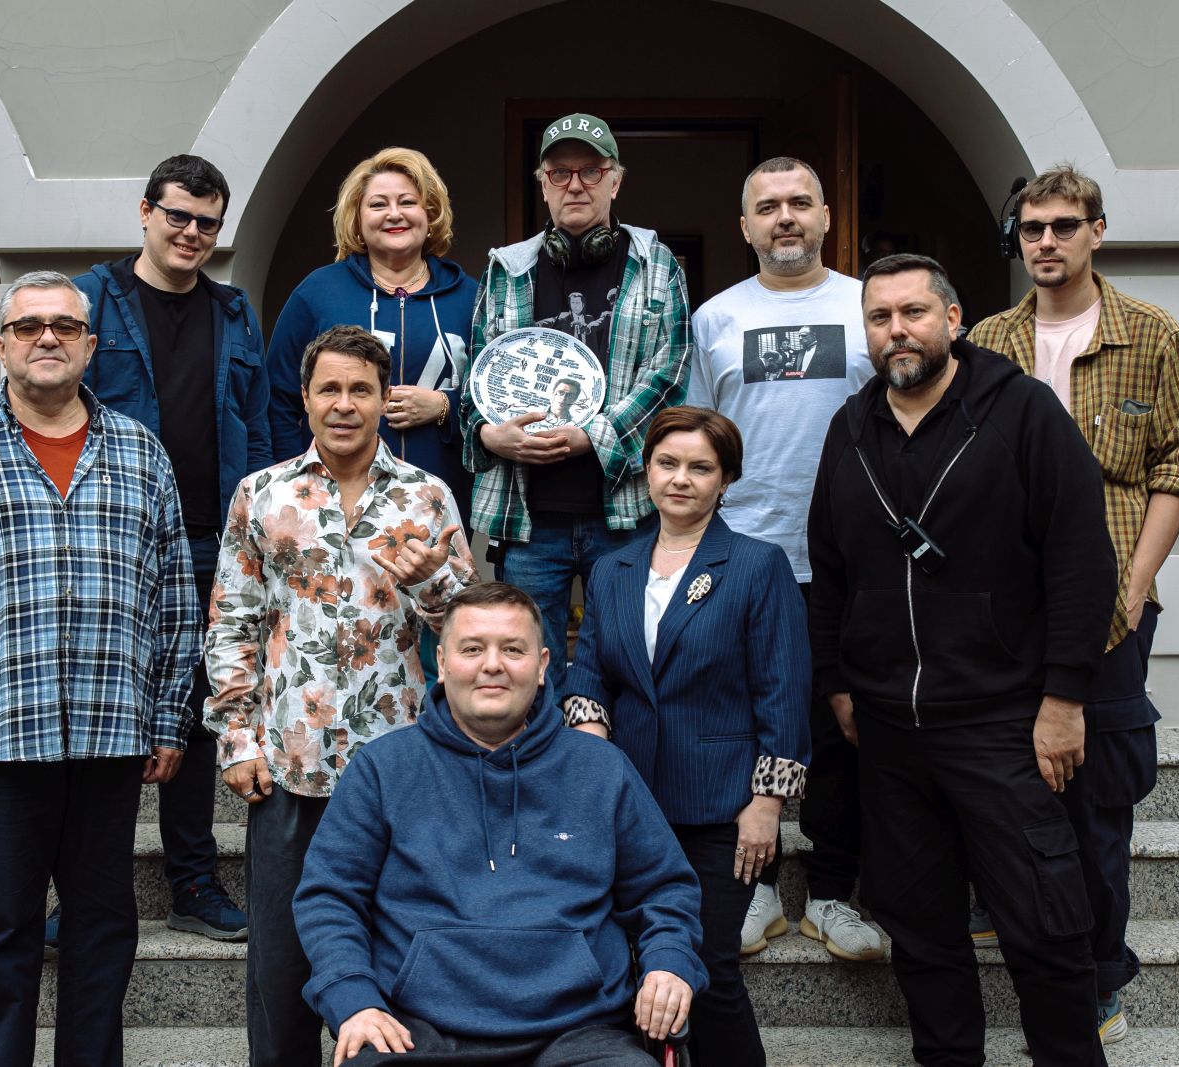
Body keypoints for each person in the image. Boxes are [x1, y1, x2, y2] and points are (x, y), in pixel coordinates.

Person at [0, 271, 200, 1067]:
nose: (46, 337)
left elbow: (175, 598)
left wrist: (169, 718)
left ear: (91, 345)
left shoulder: (140, 452)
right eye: (27, 326)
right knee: (7, 929)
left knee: (104, 927)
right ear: (0, 345)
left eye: (64, 325)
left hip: (111, 735)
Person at [809, 254, 1117, 1067]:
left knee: (1045, 922)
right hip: (888, 731)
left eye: (913, 312)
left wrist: (1065, 698)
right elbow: (829, 566)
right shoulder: (851, 428)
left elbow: (1082, 561)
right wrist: (837, 682)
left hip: (1003, 721)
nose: (897, 331)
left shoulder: (1023, 412)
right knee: (919, 928)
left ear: (952, 319)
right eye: (880, 317)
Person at [966, 164, 1179, 1043]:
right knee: (999, 771)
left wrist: (1134, 590)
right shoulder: (988, 341)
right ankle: (1006, 905)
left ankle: (1102, 972)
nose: (1046, 242)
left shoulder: (1153, 335)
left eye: (1064, 225)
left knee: (1096, 796)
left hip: (1110, 610)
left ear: (1096, 232)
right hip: (1004, 610)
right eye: (1032, 228)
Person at [206, 324, 478, 1067]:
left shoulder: (426, 496)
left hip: (401, 766)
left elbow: (472, 634)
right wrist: (237, 739)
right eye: (330, 388)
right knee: (282, 962)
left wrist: (432, 582)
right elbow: (232, 622)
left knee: (398, 952)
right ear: (305, 398)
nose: (345, 403)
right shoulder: (262, 494)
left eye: (362, 389)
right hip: (289, 763)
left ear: (385, 399)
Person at [294, 582, 708, 1066]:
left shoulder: (601, 768)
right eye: (473, 649)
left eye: (513, 649)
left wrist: (669, 963)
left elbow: (664, 890)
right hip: (415, 1033)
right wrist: (353, 998)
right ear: (443, 663)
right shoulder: (383, 769)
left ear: (543, 665)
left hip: (582, 1032)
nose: (492, 664)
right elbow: (330, 896)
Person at [564, 406, 809, 1067]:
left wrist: (767, 804)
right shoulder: (613, 568)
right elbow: (589, 672)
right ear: (646, 471)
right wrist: (589, 733)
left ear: (725, 479)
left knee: (707, 967)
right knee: (638, 967)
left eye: (700, 467)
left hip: (721, 809)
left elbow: (783, 691)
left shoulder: (757, 566)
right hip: (630, 807)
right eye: (667, 463)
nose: (680, 479)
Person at [686, 156, 878, 962]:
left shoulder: (869, 305)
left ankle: (831, 892)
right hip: (748, 553)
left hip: (854, 558)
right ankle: (754, 889)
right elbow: (696, 436)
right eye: (768, 206)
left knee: (841, 728)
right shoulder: (715, 317)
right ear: (746, 226)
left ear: (828, 216)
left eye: (801, 202)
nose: (786, 217)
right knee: (746, 725)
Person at [71, 152, 263, 944]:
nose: (191, 232)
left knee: (197, 715)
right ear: (146, 212)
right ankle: (88, 889)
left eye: (206, 222)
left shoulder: (234, 311)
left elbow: (257, 426)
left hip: (214, 543)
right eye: (178, 215)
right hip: (113, 547)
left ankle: (193, 880)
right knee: (108, 714)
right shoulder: (89, 299)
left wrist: (258, 534)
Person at [462, 111, 692, 694]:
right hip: (528, 518)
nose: (575, 185)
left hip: (625, 514)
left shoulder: (657, 265)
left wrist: (594, 435)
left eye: (591, 171)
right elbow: (477, 379)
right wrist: (489, 434)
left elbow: (670, 375)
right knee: (524, 673)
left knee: (630, 665)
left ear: (616, 180)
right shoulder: (506, 271)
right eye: (560, 172)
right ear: (542, 183)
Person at [266, 146, 476, 528]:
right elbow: (278, 399)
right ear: (357, 219)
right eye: (378, 204)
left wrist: (444, 406)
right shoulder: (318, 293)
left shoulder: (471, 299)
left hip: (437, 509)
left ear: (430, 214)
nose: (394, 214)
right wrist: (296, 483)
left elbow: (494, 405)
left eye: (407, 202)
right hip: (329, 511)